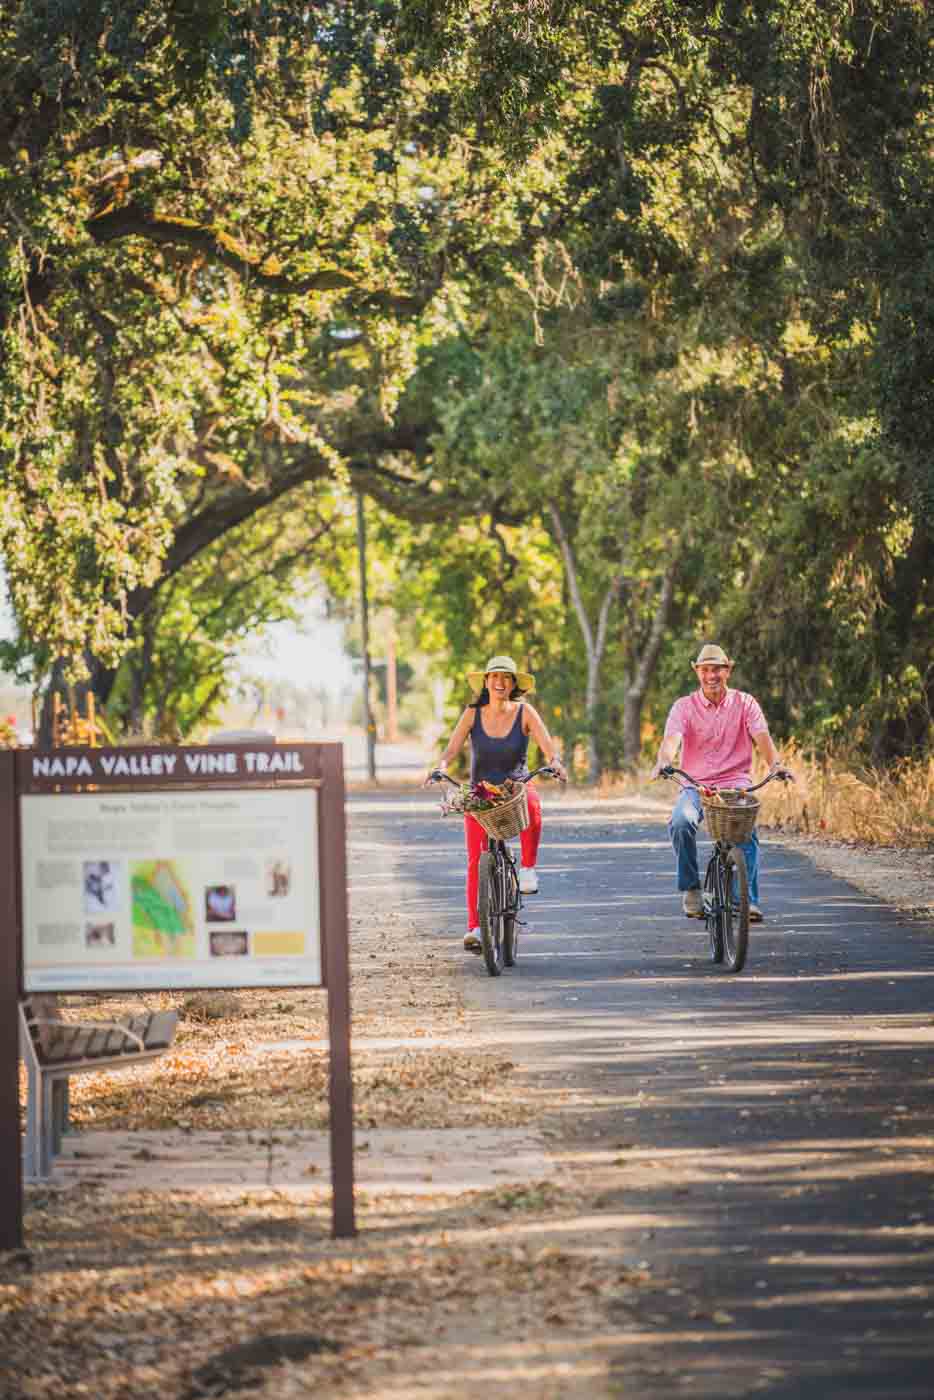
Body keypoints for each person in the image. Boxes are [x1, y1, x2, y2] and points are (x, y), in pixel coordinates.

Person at [427, 654, 567, 952]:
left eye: (506, 677)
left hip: (515, 788)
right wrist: (440, 766)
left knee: (532, 800)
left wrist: (555, 762)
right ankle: (475, 928)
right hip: (480, 793)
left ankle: (528, 869)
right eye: (494, 677)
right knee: (476, 860)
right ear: (486, 682)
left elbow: (547, 745)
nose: (500, 682)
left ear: (514, 683)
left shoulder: (525, 712)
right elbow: (451, 749)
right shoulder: (472, 713)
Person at [650, 643, 791, 923]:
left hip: (734, 784)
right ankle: (691, 888)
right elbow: (671, 740)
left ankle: (746, 900)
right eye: (705, 670)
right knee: (680, 822)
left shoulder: (745, 703)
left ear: (728, 671)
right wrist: (664, 760)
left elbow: (761, 736)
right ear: (697, 673)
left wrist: (776, 764)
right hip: (696, 785)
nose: (711, 675)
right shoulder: (684, 707)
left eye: (717, 669)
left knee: (746, 831)